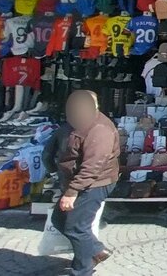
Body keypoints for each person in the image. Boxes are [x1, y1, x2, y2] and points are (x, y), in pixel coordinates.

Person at [53, 90, 120, 276]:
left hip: (95, 183)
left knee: (76, 227)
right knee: (59, 219)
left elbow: (93, 165)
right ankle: (96, 250)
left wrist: (72, 192)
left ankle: (82, 270)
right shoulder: (75, 122)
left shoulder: (99, 129)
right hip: (79, 181)